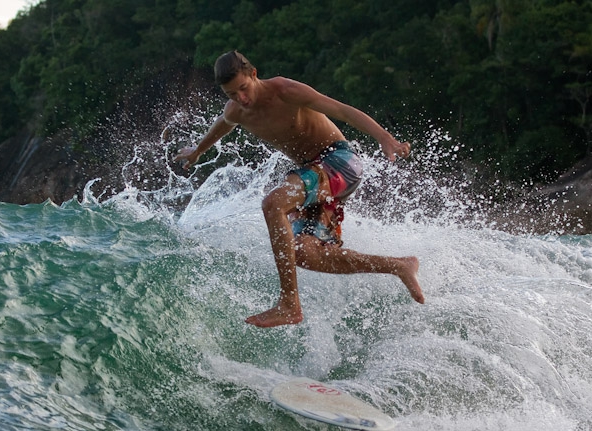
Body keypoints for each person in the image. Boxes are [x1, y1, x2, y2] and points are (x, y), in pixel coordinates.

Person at [175, 51, 425, 328]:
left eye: (243, 89)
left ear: (254, 74)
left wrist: (385, 138)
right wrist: (197, 151)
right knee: (305, 253)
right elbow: (222, 126)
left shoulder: (285, 90)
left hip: (340, 162)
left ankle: (288, 303)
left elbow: (341, 110)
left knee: (274, 203)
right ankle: (399, 266)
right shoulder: (237, 110)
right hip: (316, 178)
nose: (241, 98)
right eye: (232, 94)